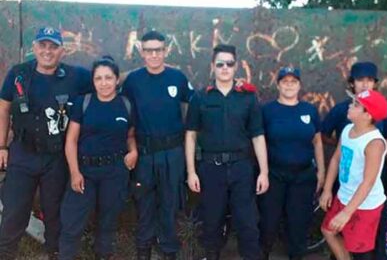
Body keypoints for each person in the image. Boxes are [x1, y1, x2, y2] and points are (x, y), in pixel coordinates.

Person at [0, 27, 92, 259]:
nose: (47, 51)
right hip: (22, 151)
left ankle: (54, 251)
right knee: (14, 209)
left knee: (55, 211)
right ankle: (6, 252)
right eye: (43, 45)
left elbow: (106, 81)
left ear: (63, 50)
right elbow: (3, 108)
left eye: (53, 47)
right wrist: (1, 146)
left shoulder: (76, 76)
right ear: (34, 47)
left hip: (57, 156)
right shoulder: (18, 73)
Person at [185, 44, 269, 260]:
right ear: (213, 66)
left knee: (248, 224)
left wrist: (264, 172)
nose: (224, 68)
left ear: (236, 66)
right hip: (210, 169)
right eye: (220, 64)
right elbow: (191, 136)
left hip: (242, 168)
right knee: (211, 222)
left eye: (229, 64)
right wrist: (191, 172)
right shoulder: (200, 97)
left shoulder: (248, 98)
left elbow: (257, 136)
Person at [121, 30, 193, 260]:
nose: (154, 55)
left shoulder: (177, 78)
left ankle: (169, 251)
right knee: (144, 206)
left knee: (170, 205)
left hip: (172, 153)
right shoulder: (133, 80)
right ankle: (144, 251)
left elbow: (198, 104)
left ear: (165, 51)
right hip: (144, 154)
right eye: (149, 50)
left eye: (158, 50)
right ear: (142, 52)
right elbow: (123, 114)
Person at [58, 56, 137, 260]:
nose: (104, 83)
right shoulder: (83, 103)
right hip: (85, 171)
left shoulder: (126, 105)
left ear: (117, 80)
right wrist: (75, 173)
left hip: (114, 172)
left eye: (108, 78)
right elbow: (71, 140)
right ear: (93, 81)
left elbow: (129, 136)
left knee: (108, 221)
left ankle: (103, 255)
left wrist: (134, 151)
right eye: (99, 78)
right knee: (72, 221)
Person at [321, 61, 387, 258]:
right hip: (345, 194)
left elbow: (368, 181)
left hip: (364, 204)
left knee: (362, 248)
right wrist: (328, 189)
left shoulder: (374, 143)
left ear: (367, 115)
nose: (365, 84)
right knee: (329, 230)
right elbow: (337, 158)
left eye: (356, 105)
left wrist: (347, 212)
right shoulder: (347, 128)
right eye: (360, 80)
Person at [258, 67, 325, 260]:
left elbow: (317, 141)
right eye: (285, 81)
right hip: (274, 175)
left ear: (299, 85)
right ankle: (263, 254)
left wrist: (321, 171)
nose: (289, 85)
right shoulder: (267, 110)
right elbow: (258, 140)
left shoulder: (309, 110)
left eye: (293, 81)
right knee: (268, 222)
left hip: (303, 177)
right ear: (278, 85)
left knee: (298, 223)